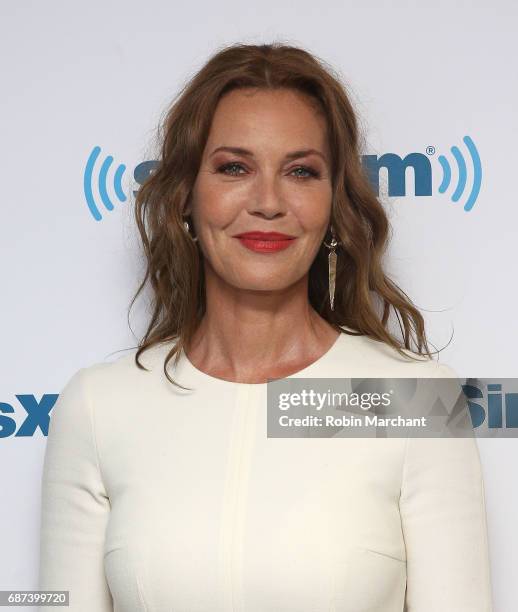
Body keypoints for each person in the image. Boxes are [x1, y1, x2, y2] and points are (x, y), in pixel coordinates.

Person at [38, 42, 493, 611]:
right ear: (186, 195)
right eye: (235, 168)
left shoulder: (415, 402)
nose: (269, 201)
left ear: (333, 203)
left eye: (301, 171)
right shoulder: (97, 406)